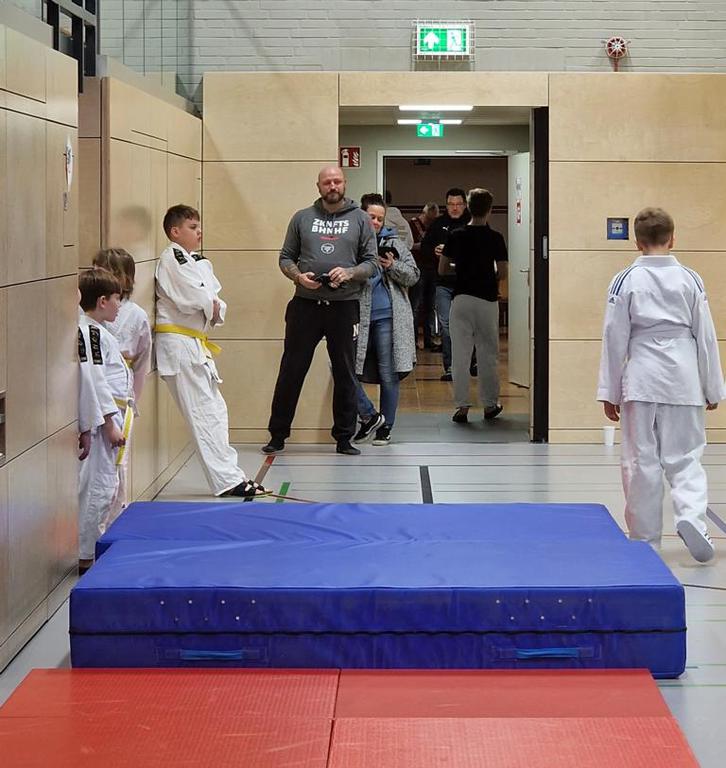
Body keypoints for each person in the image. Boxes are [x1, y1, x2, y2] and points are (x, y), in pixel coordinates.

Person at [597, 207, 726, 563]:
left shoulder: (625, 280)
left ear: (637, 242)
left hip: (642, 379)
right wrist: (712, 386)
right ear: (673, 238)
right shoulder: (690, 279)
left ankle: (645, 540)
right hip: (684, 378)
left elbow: (614, 337)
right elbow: (706, 336)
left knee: (640, 462)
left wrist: (609, 391)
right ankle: (691, 520)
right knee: (686, 458)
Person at [263, 166, 379, 456]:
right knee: (291, 370)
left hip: (345, 307)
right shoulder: (302, 218)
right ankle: (278, 435)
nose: (332, 186)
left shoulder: (361, 219)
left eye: (337, 181)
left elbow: (372, 263)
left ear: (345, 184)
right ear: (318, 186)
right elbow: (285, 257)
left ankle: (344, 438)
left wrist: (350, 273)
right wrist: (298, 276)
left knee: (345, 373)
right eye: (327, 182)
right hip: (305, 305)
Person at [155, 204, 267, 498]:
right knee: (203, 414)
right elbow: (195, 299)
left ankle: (232, 475)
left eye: (199, 226)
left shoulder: (198, 261)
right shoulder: (173, 257)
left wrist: (212, 305)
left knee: (215, 411)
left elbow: (216, 301)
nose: (199, 232)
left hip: (194, 344)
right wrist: (211, 304)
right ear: (174, 231)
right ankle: (227, 481)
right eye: (192, 227)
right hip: (179, 344)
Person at [92, 248, 152, 526]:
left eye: (102, 270)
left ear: (122, 277)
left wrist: (132, 401)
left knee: (117, 467)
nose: (95, 275)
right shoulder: (86, 315)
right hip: (90, 394)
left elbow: (142, 363)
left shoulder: (135, 315)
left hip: (119, 398)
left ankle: (114, 523)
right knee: (91, 470)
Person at [353, 193, 419, 445]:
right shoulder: (351, 242)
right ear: (361, 216)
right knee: (345, 369)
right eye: (371, 217)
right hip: (356, 316)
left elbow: (413, 275)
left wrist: (392, 266)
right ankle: (369, 416)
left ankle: (385, 427)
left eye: (380, 218)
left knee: (388, 372)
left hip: (387, 316)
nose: (376, 222)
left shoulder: (394, 243)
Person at [78, 268, 131, 572]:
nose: (119, 305)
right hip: (102, 421)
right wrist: (109, 423)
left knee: (108, 486)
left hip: (109, 415)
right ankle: (86, 554)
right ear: (102, 301)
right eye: (116, 299)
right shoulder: (91, 334)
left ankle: (94, 547)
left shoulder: (95, 331)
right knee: (99, 487)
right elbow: (95, 380)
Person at [440, 189, 507, 423]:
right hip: (487, 299)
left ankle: (462, 406)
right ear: (490, 209)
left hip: (461, 299)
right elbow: (503, 272)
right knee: (488, 354)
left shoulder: (456, 235)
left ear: (468, 207)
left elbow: (442, 269)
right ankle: (490, 404)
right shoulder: (496, 238)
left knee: (460, 354)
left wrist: (460, 268)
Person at [420, 187, 471, 380]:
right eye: (451, 204)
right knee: (447, 325)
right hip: (442, 282)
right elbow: (424, 248)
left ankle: (469, 361)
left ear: (465, 205)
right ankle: (451, 367)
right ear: (446, 205)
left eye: (458, 204)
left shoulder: (473, 223)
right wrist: (434, 251)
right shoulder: (438, 224)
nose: (455, 208)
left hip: (467, 283)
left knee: (467, 326)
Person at [408, 202, 439, 351]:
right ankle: (412, 341)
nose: (430, 222)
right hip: (417, 267)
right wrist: (422, 246)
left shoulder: (435, 227)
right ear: (424, 214)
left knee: (430, 306)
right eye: (429, 219)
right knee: (415, 305)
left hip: (432, 268)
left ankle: (429, 339)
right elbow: (407, 245)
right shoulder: (412, 225)